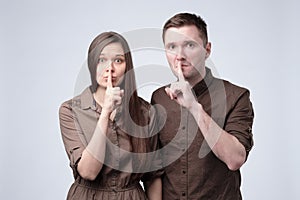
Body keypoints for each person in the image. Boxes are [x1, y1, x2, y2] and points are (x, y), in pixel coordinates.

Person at [151, 13, 254, 199]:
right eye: (172, 47)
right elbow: (154, 168)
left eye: (189, 45)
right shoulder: (159, 98)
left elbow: (235, 159)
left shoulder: (237, 96)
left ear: (207, 50)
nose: (179, 56)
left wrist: (194, 107)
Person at [59, 31, 162, 200]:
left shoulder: (146, 112)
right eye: (102, 60)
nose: (110, 68)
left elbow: (153, 177)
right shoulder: (70, 110)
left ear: (127, 66)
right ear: (92, 65)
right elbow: (88, 172)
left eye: (118, 60)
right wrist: (106, 112)